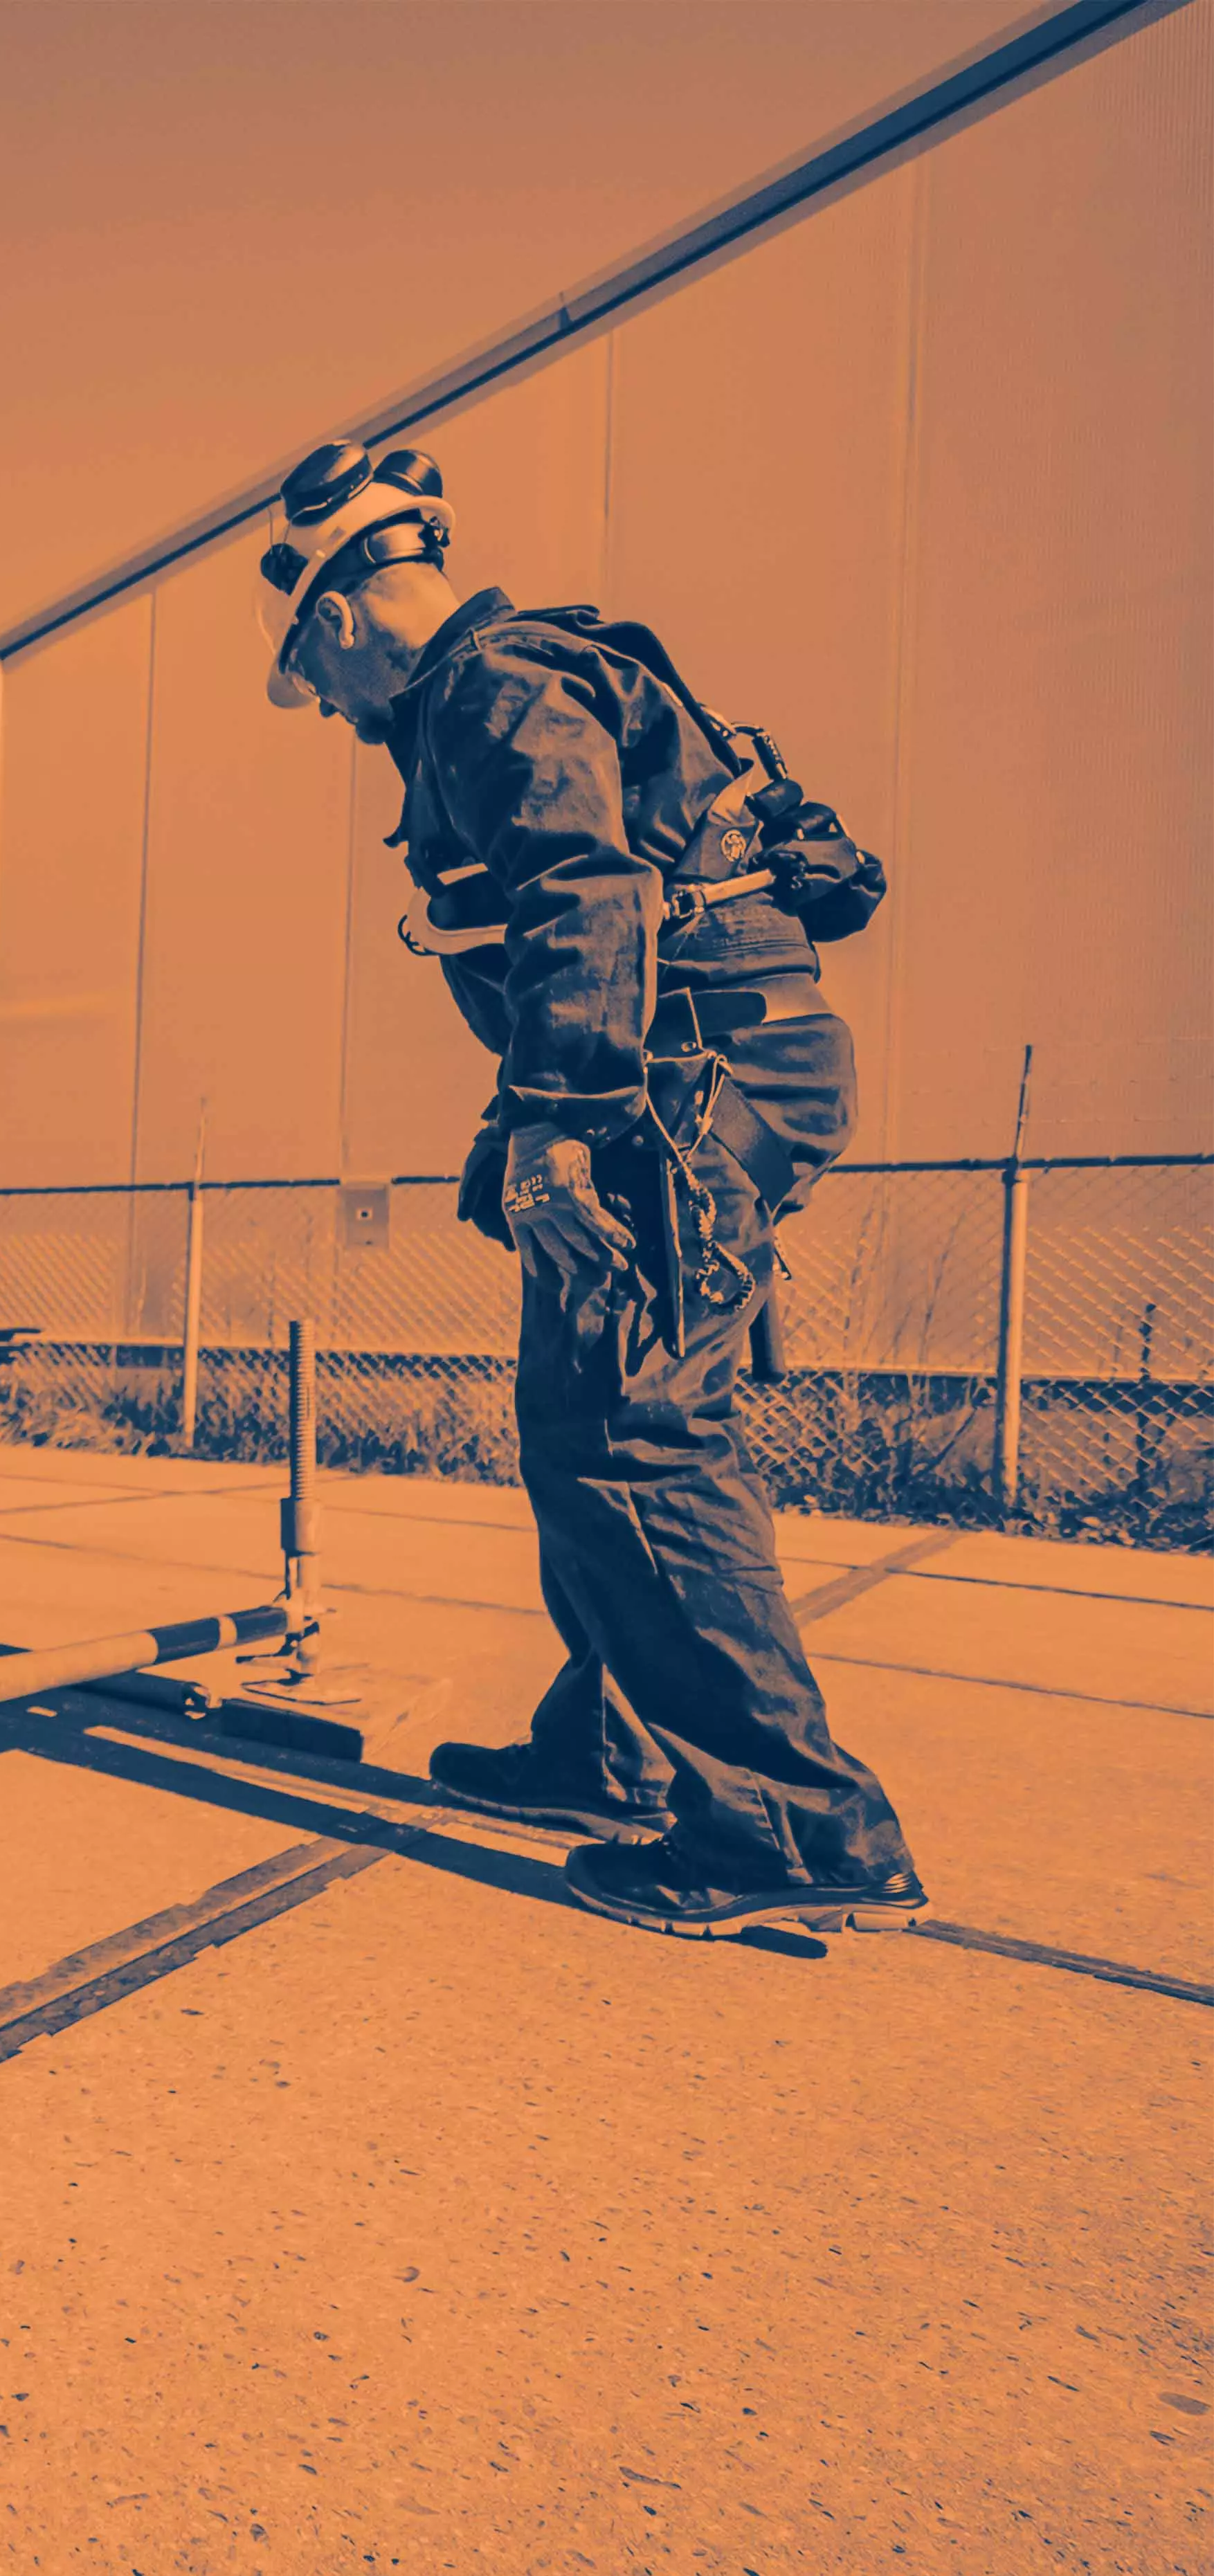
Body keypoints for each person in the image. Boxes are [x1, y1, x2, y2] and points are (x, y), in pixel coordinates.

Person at [259, 437, 925, 1942]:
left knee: (632, 1435)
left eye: (319, 680)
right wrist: (529, 1121)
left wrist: (559, 1120)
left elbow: (587, 891)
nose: (333, 714)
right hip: (702, 1070)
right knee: (581, 1423)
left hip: (687, 1083)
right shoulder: (508, 681)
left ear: (338, 620)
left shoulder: (491, 689)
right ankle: (610, 1755)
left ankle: (791, 1830)